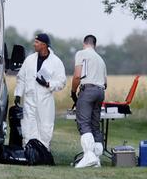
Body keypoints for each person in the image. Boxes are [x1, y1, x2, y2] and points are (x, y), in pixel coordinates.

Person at [14, 33, 66, 150]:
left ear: (44, 45)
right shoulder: (29, 60)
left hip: (45, 100)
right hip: (29, 99)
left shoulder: (56, 62)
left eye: (36, 42)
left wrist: (48, 84)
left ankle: (43, 151)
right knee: (28, 124)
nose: (34, 44)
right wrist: (18, 94)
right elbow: (21, 77)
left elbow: (62, 82)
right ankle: (28, 150)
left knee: (45, 126)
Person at [70, 34, 108, 168]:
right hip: (100, 91)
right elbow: (105, 82)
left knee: (84, 123)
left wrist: (73, 92)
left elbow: (77, 76)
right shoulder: (100, 59)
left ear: (84, 43)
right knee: (95, 125)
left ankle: (88, 156)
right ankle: (96, 159)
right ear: (95, 44)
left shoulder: (81, 53)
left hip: (88, 91)